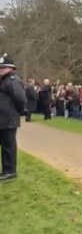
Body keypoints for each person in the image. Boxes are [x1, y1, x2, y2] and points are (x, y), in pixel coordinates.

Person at [0, 54, 26, 182]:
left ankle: (10, 171)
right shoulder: (4, 81)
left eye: (3, 68)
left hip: (8, 118)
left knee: (8, 145)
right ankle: (6, 170)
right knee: (5, 146)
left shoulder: (12, 80)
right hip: (3, 118)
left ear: (10, 68)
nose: (0, 70)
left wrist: (20, 112)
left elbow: (20, 99)